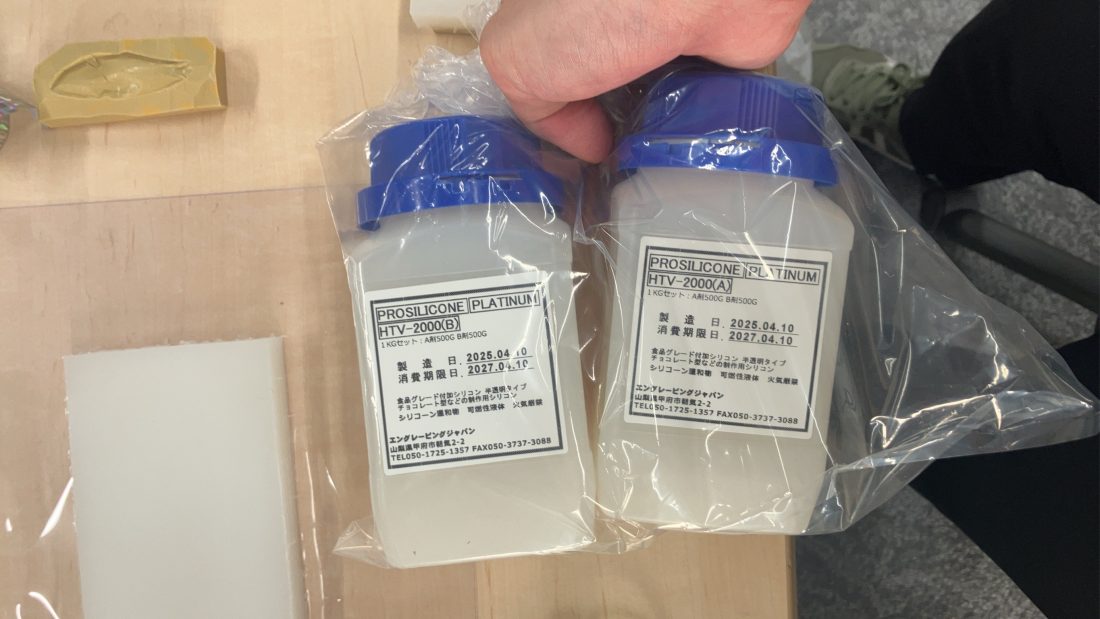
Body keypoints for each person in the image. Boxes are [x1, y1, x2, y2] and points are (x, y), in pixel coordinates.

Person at [482, 1, 1098, 617]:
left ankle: (922, 135)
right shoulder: (754, 215)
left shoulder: (652, 202)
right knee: (1049, 43)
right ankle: (924, 130)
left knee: (1038, 489)